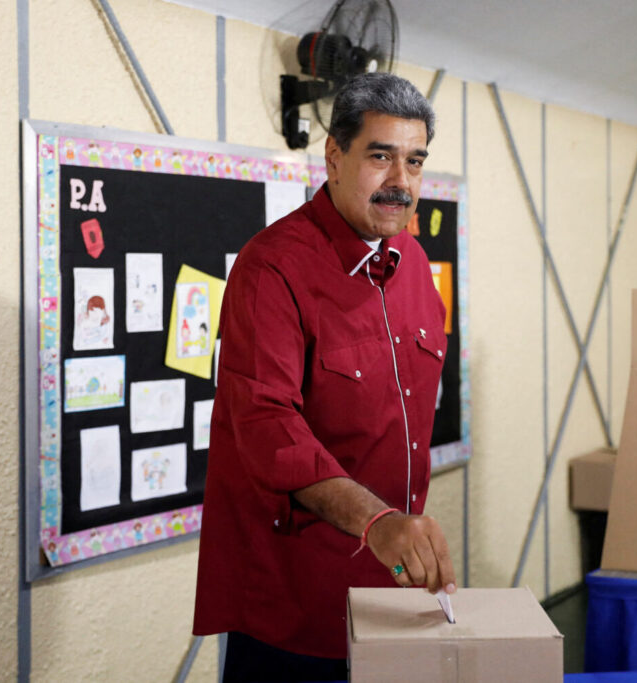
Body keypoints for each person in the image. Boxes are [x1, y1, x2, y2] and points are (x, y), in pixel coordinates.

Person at [193, 73, 456, 682]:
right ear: (334, 157)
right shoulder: (273, 267)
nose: (401, 182)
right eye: (380, 156)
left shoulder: (412, 263)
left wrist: (401, 540)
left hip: (390, 593)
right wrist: (376, 521)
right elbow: (265, 425)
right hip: (294, 605)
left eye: (414, 161)